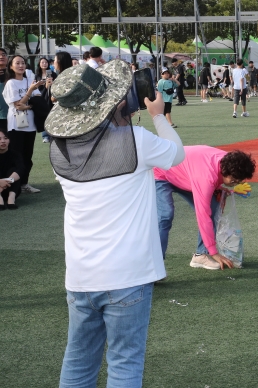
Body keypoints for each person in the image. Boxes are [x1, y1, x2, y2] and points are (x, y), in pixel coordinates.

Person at [46, 59, 184, 388]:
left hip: (80, 276)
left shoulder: (57, 151)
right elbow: (176, 155)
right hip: (128, 275)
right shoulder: (136, 140)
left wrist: (118, 113)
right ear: (113, 104)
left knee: (78, 356)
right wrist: (157, 116)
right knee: (125, 360)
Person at [155, 147, 255, 270]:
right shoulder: (206, 178)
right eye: (234, 180)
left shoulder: (230, 161)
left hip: (186, 174)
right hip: (160, 172)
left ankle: (200, 255)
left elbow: (215, 179)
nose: (235, 183)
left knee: (213, 208)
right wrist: (214, 252)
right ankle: (154, 265)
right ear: (225, 170)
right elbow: (203, 215)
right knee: (165, 215)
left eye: (238, 181)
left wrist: (229, 189)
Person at [3, 55, 42, 195]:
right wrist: (30, 93)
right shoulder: (11, 83)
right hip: (16, 125)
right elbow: (18, 105)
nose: (21, 65)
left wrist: (27, 104)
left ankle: (24, 184)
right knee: (17, 156)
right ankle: (14, 186)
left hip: (30, 125)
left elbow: (37, 99)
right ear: (11, 67)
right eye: (17, 63)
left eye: (23, 63)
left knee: (27, 156)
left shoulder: (29, 81)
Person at [0, 128, 24, 209]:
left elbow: (21, 169)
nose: (3, 141)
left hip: (11, 189)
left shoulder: (15, 154)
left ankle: (11, 199)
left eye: (5, 138)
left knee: (14, 170)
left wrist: (6, 182)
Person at [35, 57, 57, 144]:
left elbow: (56, 84)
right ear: (39, 64)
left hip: (51, 98)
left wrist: (51, 84)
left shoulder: (52, 74)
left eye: (46, 62)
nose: (44, 64)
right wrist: (45, 86)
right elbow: (36, 88)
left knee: (51, 115)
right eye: (42, 62)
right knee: (44, 116)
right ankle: (45, 136)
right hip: (41, 97)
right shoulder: (37, 75)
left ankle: (53, 135)